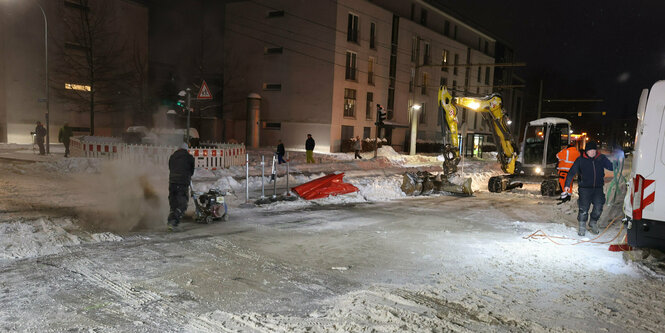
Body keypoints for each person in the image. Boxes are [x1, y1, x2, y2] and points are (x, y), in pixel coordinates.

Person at [564, 141, 613, 236]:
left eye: (594, 150)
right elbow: (571, 172)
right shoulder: (580, 160)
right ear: (586, 151)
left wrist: (616, 162)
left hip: (598, 188)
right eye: (590, 150)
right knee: (583, 208)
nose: (592, 152)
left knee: (599, 207)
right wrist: (567, 185)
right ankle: (582, 225)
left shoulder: (601, 158)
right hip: (585, 188)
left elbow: (611, 167)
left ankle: (593, 222)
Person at [167, 142, 195, 231]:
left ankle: (171, 220)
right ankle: (173, 222)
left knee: (173, 202)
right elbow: (192, 171)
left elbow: (170, 167)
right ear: (187, 149)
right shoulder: (189, 157)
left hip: (172, 183)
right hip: (182, 183)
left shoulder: (173, 156)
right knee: (182, 203)